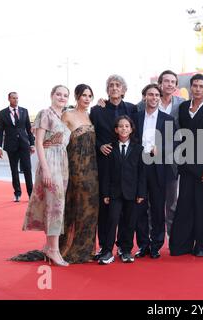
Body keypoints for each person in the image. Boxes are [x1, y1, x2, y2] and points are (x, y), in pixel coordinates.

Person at [169, 73, 203, 257]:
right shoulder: (184, 107)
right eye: (195, 85)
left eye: (201, 86)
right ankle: (181, 245)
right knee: (185, 204)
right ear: (190, 87)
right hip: (186, 165)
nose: (198, 89)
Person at [21, 85, 71, 266]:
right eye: (59, 94)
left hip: (63, 163)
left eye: (65, 95)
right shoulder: (45, 114)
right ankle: (53, 250)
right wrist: (46, 169)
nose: (62, 97)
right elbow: (39, 143)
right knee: (55, 206)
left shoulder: (64, 117)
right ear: (51, 95)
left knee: (57, 205)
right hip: (50, 161)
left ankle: (51, 246)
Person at [90, 75, 137, 260]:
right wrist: (99, 146)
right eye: (111, 85)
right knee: (106, 209)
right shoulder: (97, 110)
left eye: (118, 85)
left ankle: (124, 248)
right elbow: (90, 135)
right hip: (105, 165)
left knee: (127, 211)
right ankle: (105, 247)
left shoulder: (132, 109)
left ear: (124, 89)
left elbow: (137, 134)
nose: (114, 88)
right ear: (107, 90)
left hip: (128, 167)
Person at [137, 70, 184, 240]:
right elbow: (128, 116)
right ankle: (152, 238)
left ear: (176, 85)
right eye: (167, 81)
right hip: (148, 162)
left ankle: (174, 238)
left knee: (171, 203)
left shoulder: (182, 104)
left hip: (170, 162)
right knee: (151, 204)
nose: (170, 84)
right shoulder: (144, 104)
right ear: (160, 83)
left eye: (173, 82)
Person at [58, 84, 99, 264]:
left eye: (90, 95)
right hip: (75, 167)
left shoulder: (90, 116)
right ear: (77, 96)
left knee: (90, 209)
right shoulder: (67, 115)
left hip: (92, 168)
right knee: (76, 207)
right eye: (84, 95)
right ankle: (70, 247)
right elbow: (59, 141)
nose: (87, 99)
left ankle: (87, 249)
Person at [134, 84, 176, 259]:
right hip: (139, 167)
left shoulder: (168, 119)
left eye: (156, 95)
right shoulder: (135, 117)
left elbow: (174, 142)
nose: (154, 97)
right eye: (150, 94)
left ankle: (156, 245)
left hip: (158, 167)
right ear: (144, 97)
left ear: (160, 97)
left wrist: (161, 148)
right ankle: (143, 245)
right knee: (140, 208)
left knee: (158, 208)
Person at [99, 115, 146, 264]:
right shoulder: (110, 148)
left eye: (127, 126)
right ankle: (107, 251)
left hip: (132, 193)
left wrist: (141, 193)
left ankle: (126, 250)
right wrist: (105, 193)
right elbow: (106, 173)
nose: (124, 129)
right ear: (116, 129)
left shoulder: (139, 149)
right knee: (112, 220)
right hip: (114, 192)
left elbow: (142, 173)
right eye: (121, 126)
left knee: (129, 222)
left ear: (131, 129)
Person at [0, 92, 35, 202]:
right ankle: (17, 193)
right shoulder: (2, 113)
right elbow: (0, 131)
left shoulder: (24, 111)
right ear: (9, 99)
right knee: (14, 170)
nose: (16, 100)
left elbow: (29, 129)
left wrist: (32, 144)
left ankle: (31, 193)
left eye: (17, 98)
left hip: (24, 144)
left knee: (27, 169)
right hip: (10, 145)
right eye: (13, 98)